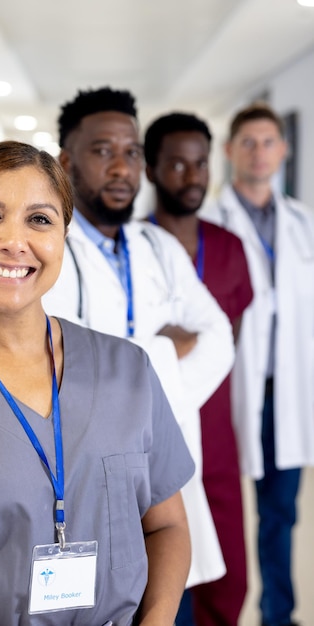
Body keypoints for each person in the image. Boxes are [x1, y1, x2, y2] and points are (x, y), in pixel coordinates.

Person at [0, 140, 196, 626]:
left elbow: (167, 526)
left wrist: (157, 620)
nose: (14, 240)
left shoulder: (128, 370)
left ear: (63, 237)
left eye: (40, 220)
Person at [42, 87, 236, 589]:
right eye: (103, 151)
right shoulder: (47, 249)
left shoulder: (158, 246)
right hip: (84, 475)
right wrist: (168, 348)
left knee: (168, 593)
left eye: (132, 153)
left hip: (164, 478)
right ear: (67, 161)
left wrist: (131, 377)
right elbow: (54, 364)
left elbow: (219, 336)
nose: (122, 168)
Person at [201, 103, 314, 626]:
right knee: (219, 512)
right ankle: (217, 612)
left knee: (280, 515)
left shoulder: (303, 222)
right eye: (248, 142)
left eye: (269, 142)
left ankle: (278, 615)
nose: (260, 152)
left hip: (287, 394)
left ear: (284, 150)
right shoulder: (207, 224)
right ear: (229, 151)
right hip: (226, 394)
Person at [144, 112, 253, 626]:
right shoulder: (134, 247)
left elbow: (225, 337)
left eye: (201, 164)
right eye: (177, 164)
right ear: (152, 169)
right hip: (155, 432)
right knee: (164, 572)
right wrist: (171, 344)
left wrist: (178, 343)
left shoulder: (229, 247)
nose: (192, 177)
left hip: (216, 426)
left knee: (228, 572)